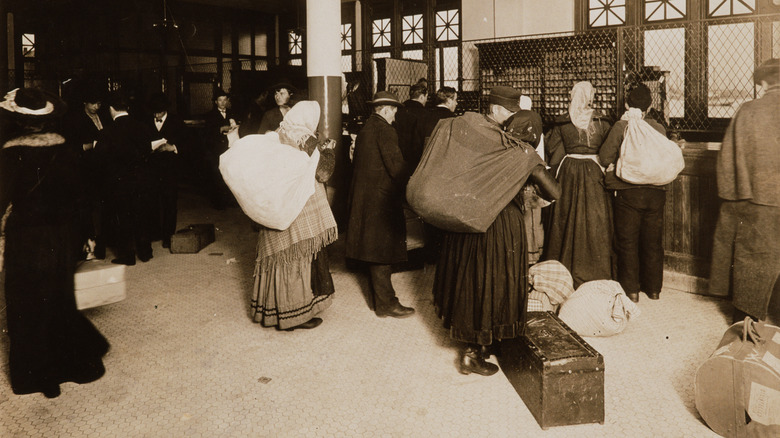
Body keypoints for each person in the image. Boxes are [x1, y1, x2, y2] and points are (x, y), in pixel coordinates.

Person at [431, 86, 561, 376]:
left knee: (468, 280)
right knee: (493, 283)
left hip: (464, 219)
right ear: (499, 110)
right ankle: (473, 352)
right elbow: (555, 191)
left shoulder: (472, 130)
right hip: (498, 226)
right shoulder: (516, 150)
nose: (512, 117)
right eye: (511, 111)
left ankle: (472, 343)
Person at [0, 87, 110, 398]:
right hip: (61, 235)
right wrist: (89, 233)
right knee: (58, 297)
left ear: (19, 121)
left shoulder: (9, 152)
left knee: (26, 303)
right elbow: (80, 196)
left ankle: (37, 377)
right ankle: (69, 366)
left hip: (26, 236)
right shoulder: (64, 148)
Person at [251, 101, 338, 331]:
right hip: (297, 205)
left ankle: (271, 311)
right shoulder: (305, 137)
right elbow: (323, 172)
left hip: (277, 204)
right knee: (295, 257)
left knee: (276, 257)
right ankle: (293, 316)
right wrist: (328, 150)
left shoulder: (279, 132)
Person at [709, 58, 780, 325]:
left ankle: (746, 318)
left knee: (752, 260)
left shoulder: (748, 110)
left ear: (762, 82)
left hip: (755, 200)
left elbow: (727, 157)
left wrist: (732, 196)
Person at [346, 91, 415, 319]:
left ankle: (382, 300)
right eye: (393, 109)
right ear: (385, 109)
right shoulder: (386, 130)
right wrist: (415, 180)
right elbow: (396, 168)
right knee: (382, 252)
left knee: (375, 249)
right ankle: (386, 304)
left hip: (366, 198)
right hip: (381, 200)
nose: (395, 113)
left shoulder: (366, 128)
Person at [598, 84, 668, 303]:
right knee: (653, 240)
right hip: (656, 192)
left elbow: (604, 157)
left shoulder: (621, 126)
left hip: (629, 191)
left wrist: (616, 163)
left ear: (627, 104)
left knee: (627, 241)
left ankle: (631, 291)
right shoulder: (658, 128)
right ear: (650, 106)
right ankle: (654, 289)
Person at [544, 81, 614, 289]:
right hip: (594, 171)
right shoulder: (603, 121)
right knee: (596, 220)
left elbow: (550, 147)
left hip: (570, 171)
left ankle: (564, 268)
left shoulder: (563, 123)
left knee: (566, 217)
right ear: (591, 97)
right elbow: (609, 150)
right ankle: (597, 271)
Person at [94, 90, 159, 265]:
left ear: (111, 109)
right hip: (142, 179)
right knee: (141, 215)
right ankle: (145, 252)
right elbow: (149, 151)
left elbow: (99, 159)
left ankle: (127, 255)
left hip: (119, 182)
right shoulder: (143, 127)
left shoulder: (107, 132)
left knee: (122, 218)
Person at [64, 87, 111, 260]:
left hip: (103, 167)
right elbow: (72, 147)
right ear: (85, 103)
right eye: (93, 103)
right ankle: (89, 244)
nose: (97, 107)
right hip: (85, 168)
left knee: (102, 206)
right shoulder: (75, 120)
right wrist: (91, 145)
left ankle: (100, 243)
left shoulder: (104, 117)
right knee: (88, 208)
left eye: (99, 103)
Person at [145, 92, 186, 248]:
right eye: (154, 112)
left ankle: (168, 235)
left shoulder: (176, 121)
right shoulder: (147, 121)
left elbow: (189, 142)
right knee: (152, 201)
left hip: (170, 169)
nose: (156, 115)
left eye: (159, 112)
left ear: (165, 109)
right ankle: (155, 232)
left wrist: (173, 147)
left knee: (169, 202)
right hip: (152, 168)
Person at [203, 89, 237, 209]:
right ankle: (219, 202)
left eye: (225, 100)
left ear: (227, 101)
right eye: (220, 100)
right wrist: (220, 129)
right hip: (216, 150)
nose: (222, 103)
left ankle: (230, 200)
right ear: (215, 102)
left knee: (230, 174)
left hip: (230, 147)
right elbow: (206, 134)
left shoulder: (233, 113)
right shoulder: (210, 115)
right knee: (217, 175)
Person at [394, 81, 429, 168]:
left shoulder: (398, 110)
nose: (426, 100)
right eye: (426, 97)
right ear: (421, 97)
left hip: (397, 156)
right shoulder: (424, 113)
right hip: (416, 159)